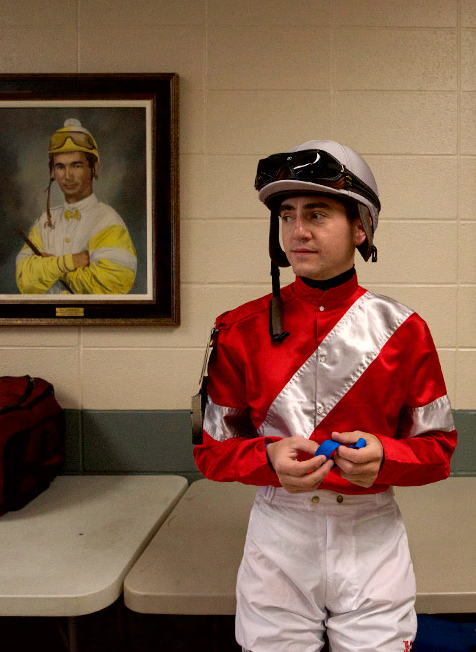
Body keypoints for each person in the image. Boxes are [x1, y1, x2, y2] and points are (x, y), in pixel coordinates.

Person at [193, 140, 457, 652]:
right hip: (278, 533)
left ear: (362, 228)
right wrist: (266, 456)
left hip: (371, 533)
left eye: (317, 213)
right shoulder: (235, 329)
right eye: (287, 216)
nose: (298, 230)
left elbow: (439, 451)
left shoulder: (406, 330)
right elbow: (210, 452)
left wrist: (387, 457)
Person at [15, 118, 137, 294]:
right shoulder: (44, 221)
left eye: (76, 165)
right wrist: (70, 262)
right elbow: (24, 281)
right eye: (60, 167)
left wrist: (50, 269)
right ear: (53, 172)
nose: (67, 176)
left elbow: (111, 285)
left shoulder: (108, 221)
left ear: (94, 168)